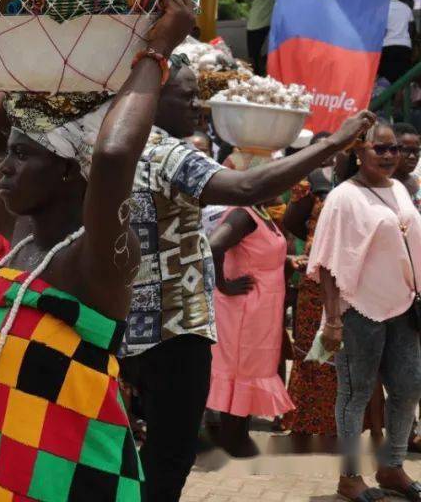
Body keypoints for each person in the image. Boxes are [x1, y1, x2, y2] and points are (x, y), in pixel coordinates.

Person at [0, 0, 195, 501]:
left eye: (22, 154)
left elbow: (111, 156)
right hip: (4, 473)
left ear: (68, 168)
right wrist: (33, 55)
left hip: (76, 483)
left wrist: (156, 49)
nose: (6, 166)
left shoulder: (99, 255)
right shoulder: (24, 232)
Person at [118, 59, 372, 502]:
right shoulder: (164, 152)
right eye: (187, 96)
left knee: (135, 454)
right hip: (174, 332)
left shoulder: (113, 147)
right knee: (168, 458)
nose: (199, 107)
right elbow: (245, 189)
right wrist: (336, 140)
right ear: (151, 99)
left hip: (127, 326)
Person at [310, 123, 421, 502]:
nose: (390, 156)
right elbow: (324, 261)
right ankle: (349, 477)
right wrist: (333, 319)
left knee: (408, 389)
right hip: (358, 310)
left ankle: (391, 466)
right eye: (381, 149)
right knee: (354, 395)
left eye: (393, 149)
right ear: (360, 152)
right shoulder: (343, 197)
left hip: (404, 308)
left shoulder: (401, 190)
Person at [207, 199, 294, 458]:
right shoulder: (244, 216)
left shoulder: (262, 214)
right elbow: (214, 245)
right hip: (243, 309)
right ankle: (231, 439)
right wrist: (223, 284)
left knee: (252, 369)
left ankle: (238, 436)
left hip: (262, 310)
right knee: (239, 370)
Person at [281, 134, 342, 439]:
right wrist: (314, 243)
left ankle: (335, 424)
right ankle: (303, 422)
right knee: (311, 347)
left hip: (350, 282)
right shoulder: (313, 182)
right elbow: (291, 221)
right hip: (315, 281)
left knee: (340, 352)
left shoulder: (359, 183)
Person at [246, 0, 277, 76]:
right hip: (251, 25)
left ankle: (262, 72)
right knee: (252, 54)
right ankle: (256, 73)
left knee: (259, 51)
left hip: (264, 25)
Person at [380, 0, 414, 86]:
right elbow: (411, 29)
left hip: (385, 46)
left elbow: (381, 30)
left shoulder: (382, 8)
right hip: (404, 47)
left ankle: (382, 91)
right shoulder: (406, 8)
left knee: (386, 75)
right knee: (401, 76)